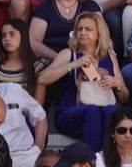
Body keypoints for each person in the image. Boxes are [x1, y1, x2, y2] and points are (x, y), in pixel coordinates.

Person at [36, 12, 124, 154]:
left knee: (110, 111)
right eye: (80, 29)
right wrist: (73, 64)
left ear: (98, 34)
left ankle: (107, 161)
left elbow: (124, 96)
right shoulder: (68, 54)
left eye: (88, 29)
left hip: (102, 108)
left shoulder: (109, 57)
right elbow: (42, 78)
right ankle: (94, 163)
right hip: (70, 110)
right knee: (92, 111)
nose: (83, 33)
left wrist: (115, 83)